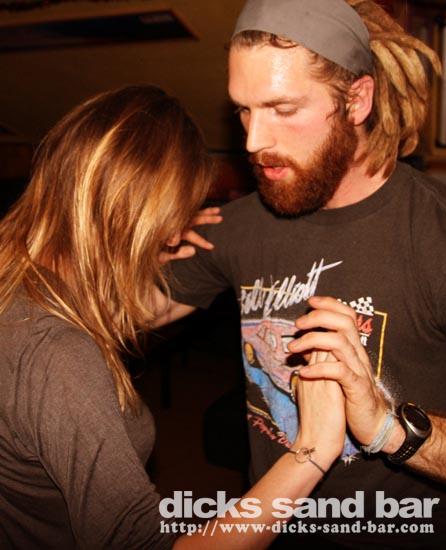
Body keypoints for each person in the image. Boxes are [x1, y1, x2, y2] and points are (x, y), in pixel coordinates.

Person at [0, 85, 349, 549]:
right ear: (131, 212)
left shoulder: (16, 282)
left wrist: (149, 252)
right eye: (170, 215)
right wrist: (313, 449)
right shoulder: (60, 358)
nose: (171, 239)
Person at [162, 1, 446, 548]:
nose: (253, 140)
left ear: (356, 100)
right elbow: (122, 310)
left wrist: (387, 429)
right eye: (244, 111)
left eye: (283, 109)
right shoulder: (239, 224)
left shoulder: (435, 234)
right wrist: (139, 235)